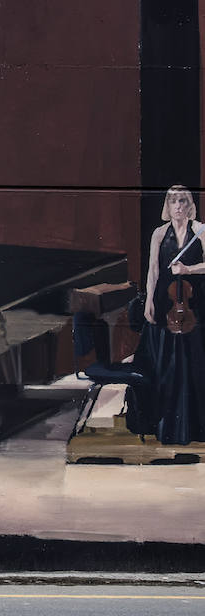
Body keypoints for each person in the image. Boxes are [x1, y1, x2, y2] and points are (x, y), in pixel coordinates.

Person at [131, 185, 205, 445]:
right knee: (165, 364)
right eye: (173, 202)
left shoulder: (200, 231)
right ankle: (164, 426)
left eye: (183, 201)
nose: (178, 207)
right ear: (168, 206)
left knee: (193, 363)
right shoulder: (159, 234)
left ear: (190, 205)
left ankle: (195, 428)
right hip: (166, 305)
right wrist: (149, 301)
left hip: (196, 306)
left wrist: (189, 268)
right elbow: (152, 270)